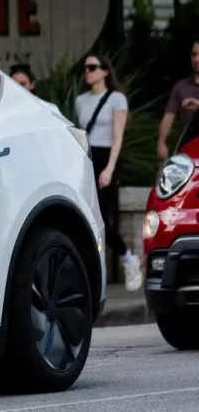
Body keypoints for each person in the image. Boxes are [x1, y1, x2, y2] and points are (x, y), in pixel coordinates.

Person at [75, 55, 142, 292]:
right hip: (87, 159)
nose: (88, 72)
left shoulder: (116, 99)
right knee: (88, 220)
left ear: (105, 71)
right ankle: (96, 276)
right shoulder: (81, 101)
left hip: (106, 160)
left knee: (104, 220)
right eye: (85, 68)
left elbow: (118, 137)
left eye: (92, 67)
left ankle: (128, 258)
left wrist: (110, 168)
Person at [157, 40, 199, 160]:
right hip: (188, 149)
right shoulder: (180, 87)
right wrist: (161, 142)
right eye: (194, 54)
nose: (196, 59)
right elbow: (169, 116)